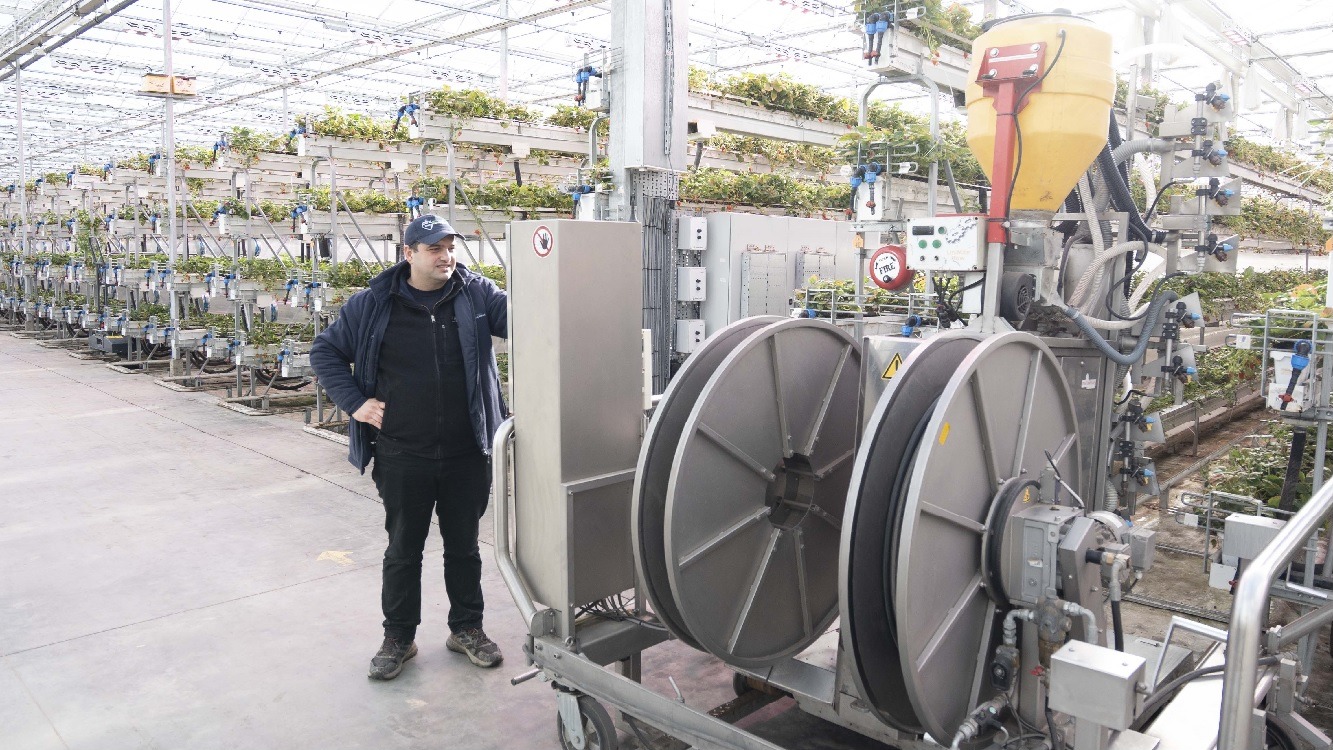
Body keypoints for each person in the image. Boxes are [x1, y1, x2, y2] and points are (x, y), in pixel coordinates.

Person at [310, 214, 508, 679]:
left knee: (465, 546)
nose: (446, 256)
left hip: (466, 448)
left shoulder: (476, 294)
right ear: (409, 254)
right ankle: (398, 637)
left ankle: (466, 630)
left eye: (451, 247)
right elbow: (326, 352)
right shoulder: (374, 303)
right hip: (403, 450)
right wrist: (356, 404)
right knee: (403, 548)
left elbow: (527, 318)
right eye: (435, 249)